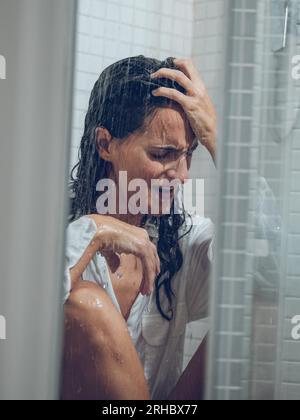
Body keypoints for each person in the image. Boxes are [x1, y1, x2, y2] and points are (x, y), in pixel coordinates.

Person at [62, 55, 217, 400]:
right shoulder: (50, 226)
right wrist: (96, 230)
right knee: (86, 301)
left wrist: (217, 139)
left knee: (239, 312)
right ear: (105, 144)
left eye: (189, 153)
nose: (182, 176)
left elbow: (272, 275)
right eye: (162, 154)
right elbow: (21, 314)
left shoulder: (183, 239)